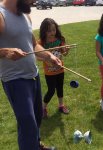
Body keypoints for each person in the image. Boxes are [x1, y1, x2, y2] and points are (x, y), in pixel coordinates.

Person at [0, 0, 62, 149]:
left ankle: (36, 144)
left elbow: (33, 44)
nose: (35, 1)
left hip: (33, 75)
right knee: (28, 124)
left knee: (37, 116)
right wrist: (5, 52)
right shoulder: (1, 15)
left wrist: (49, 56)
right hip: (15, 80)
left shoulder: (25, 14)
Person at [38, 18, 69, 118]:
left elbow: (63, 53)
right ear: (44, 31)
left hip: (60, 69)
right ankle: (43, 108)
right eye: (49, 31)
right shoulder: (41, 43)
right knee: (51, 90)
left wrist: (66, 50)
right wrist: (47, 60)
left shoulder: (60, 40)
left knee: (60, 88)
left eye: (54, 30)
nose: (52, 32)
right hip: (49, 72)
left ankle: (61, 105)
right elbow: (38, 56)